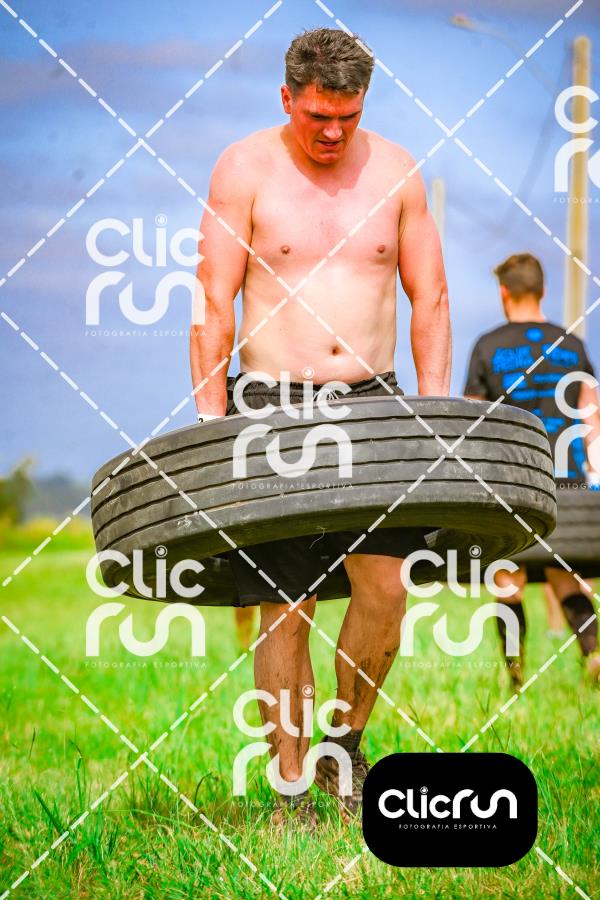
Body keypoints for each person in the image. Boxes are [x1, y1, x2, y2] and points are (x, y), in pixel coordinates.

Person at [190, 28, 450, 828]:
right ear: (287, 97)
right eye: (316, 116)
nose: (332, 131)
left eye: (348, 116)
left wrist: (434, 416)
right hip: (272, 408)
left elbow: (431, 297)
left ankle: (346, 744)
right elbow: (213, 300)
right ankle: (292, 787)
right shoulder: (243, 168)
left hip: (376, 402)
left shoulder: (397, 170)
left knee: (386, 588)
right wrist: (210, 426)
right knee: (286, 603)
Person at [464, 252, 600, 687]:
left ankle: (516, 675)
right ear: (542, 290)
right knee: (566, 577)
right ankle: (594, 654)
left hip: (512, 484)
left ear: (504, 292)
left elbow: (473, 422)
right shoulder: (572, 346)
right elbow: (591, 416)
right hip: (567, 482)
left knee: (508, 580)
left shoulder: (487, 346)